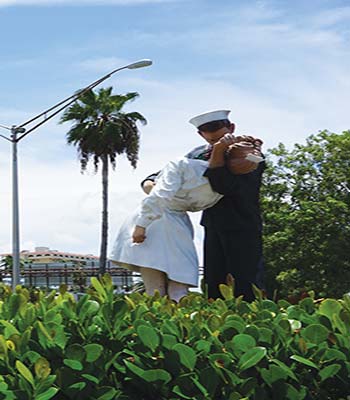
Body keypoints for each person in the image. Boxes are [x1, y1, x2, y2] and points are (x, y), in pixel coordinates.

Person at [109, 157, 223, 302]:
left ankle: (175, 321)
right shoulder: (184, 165)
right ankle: (159, 321)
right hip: (155, 221)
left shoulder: (226, 181)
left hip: (175, 220)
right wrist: (141, 225)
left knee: (179, 282)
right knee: (156, 287)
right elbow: (159, 195)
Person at [186, 109, 265, 301]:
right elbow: (173, 171)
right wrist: (151, 180)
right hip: (213, 225)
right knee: (215, 282)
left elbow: (224, 186)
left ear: (231, 128)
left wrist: (221, 151)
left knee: (246, 282)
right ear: (200, 134)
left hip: (243, 224)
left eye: (218, 130)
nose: (213, 137)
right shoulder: (197, 154)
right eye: (207, 133)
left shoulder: (249, 151)